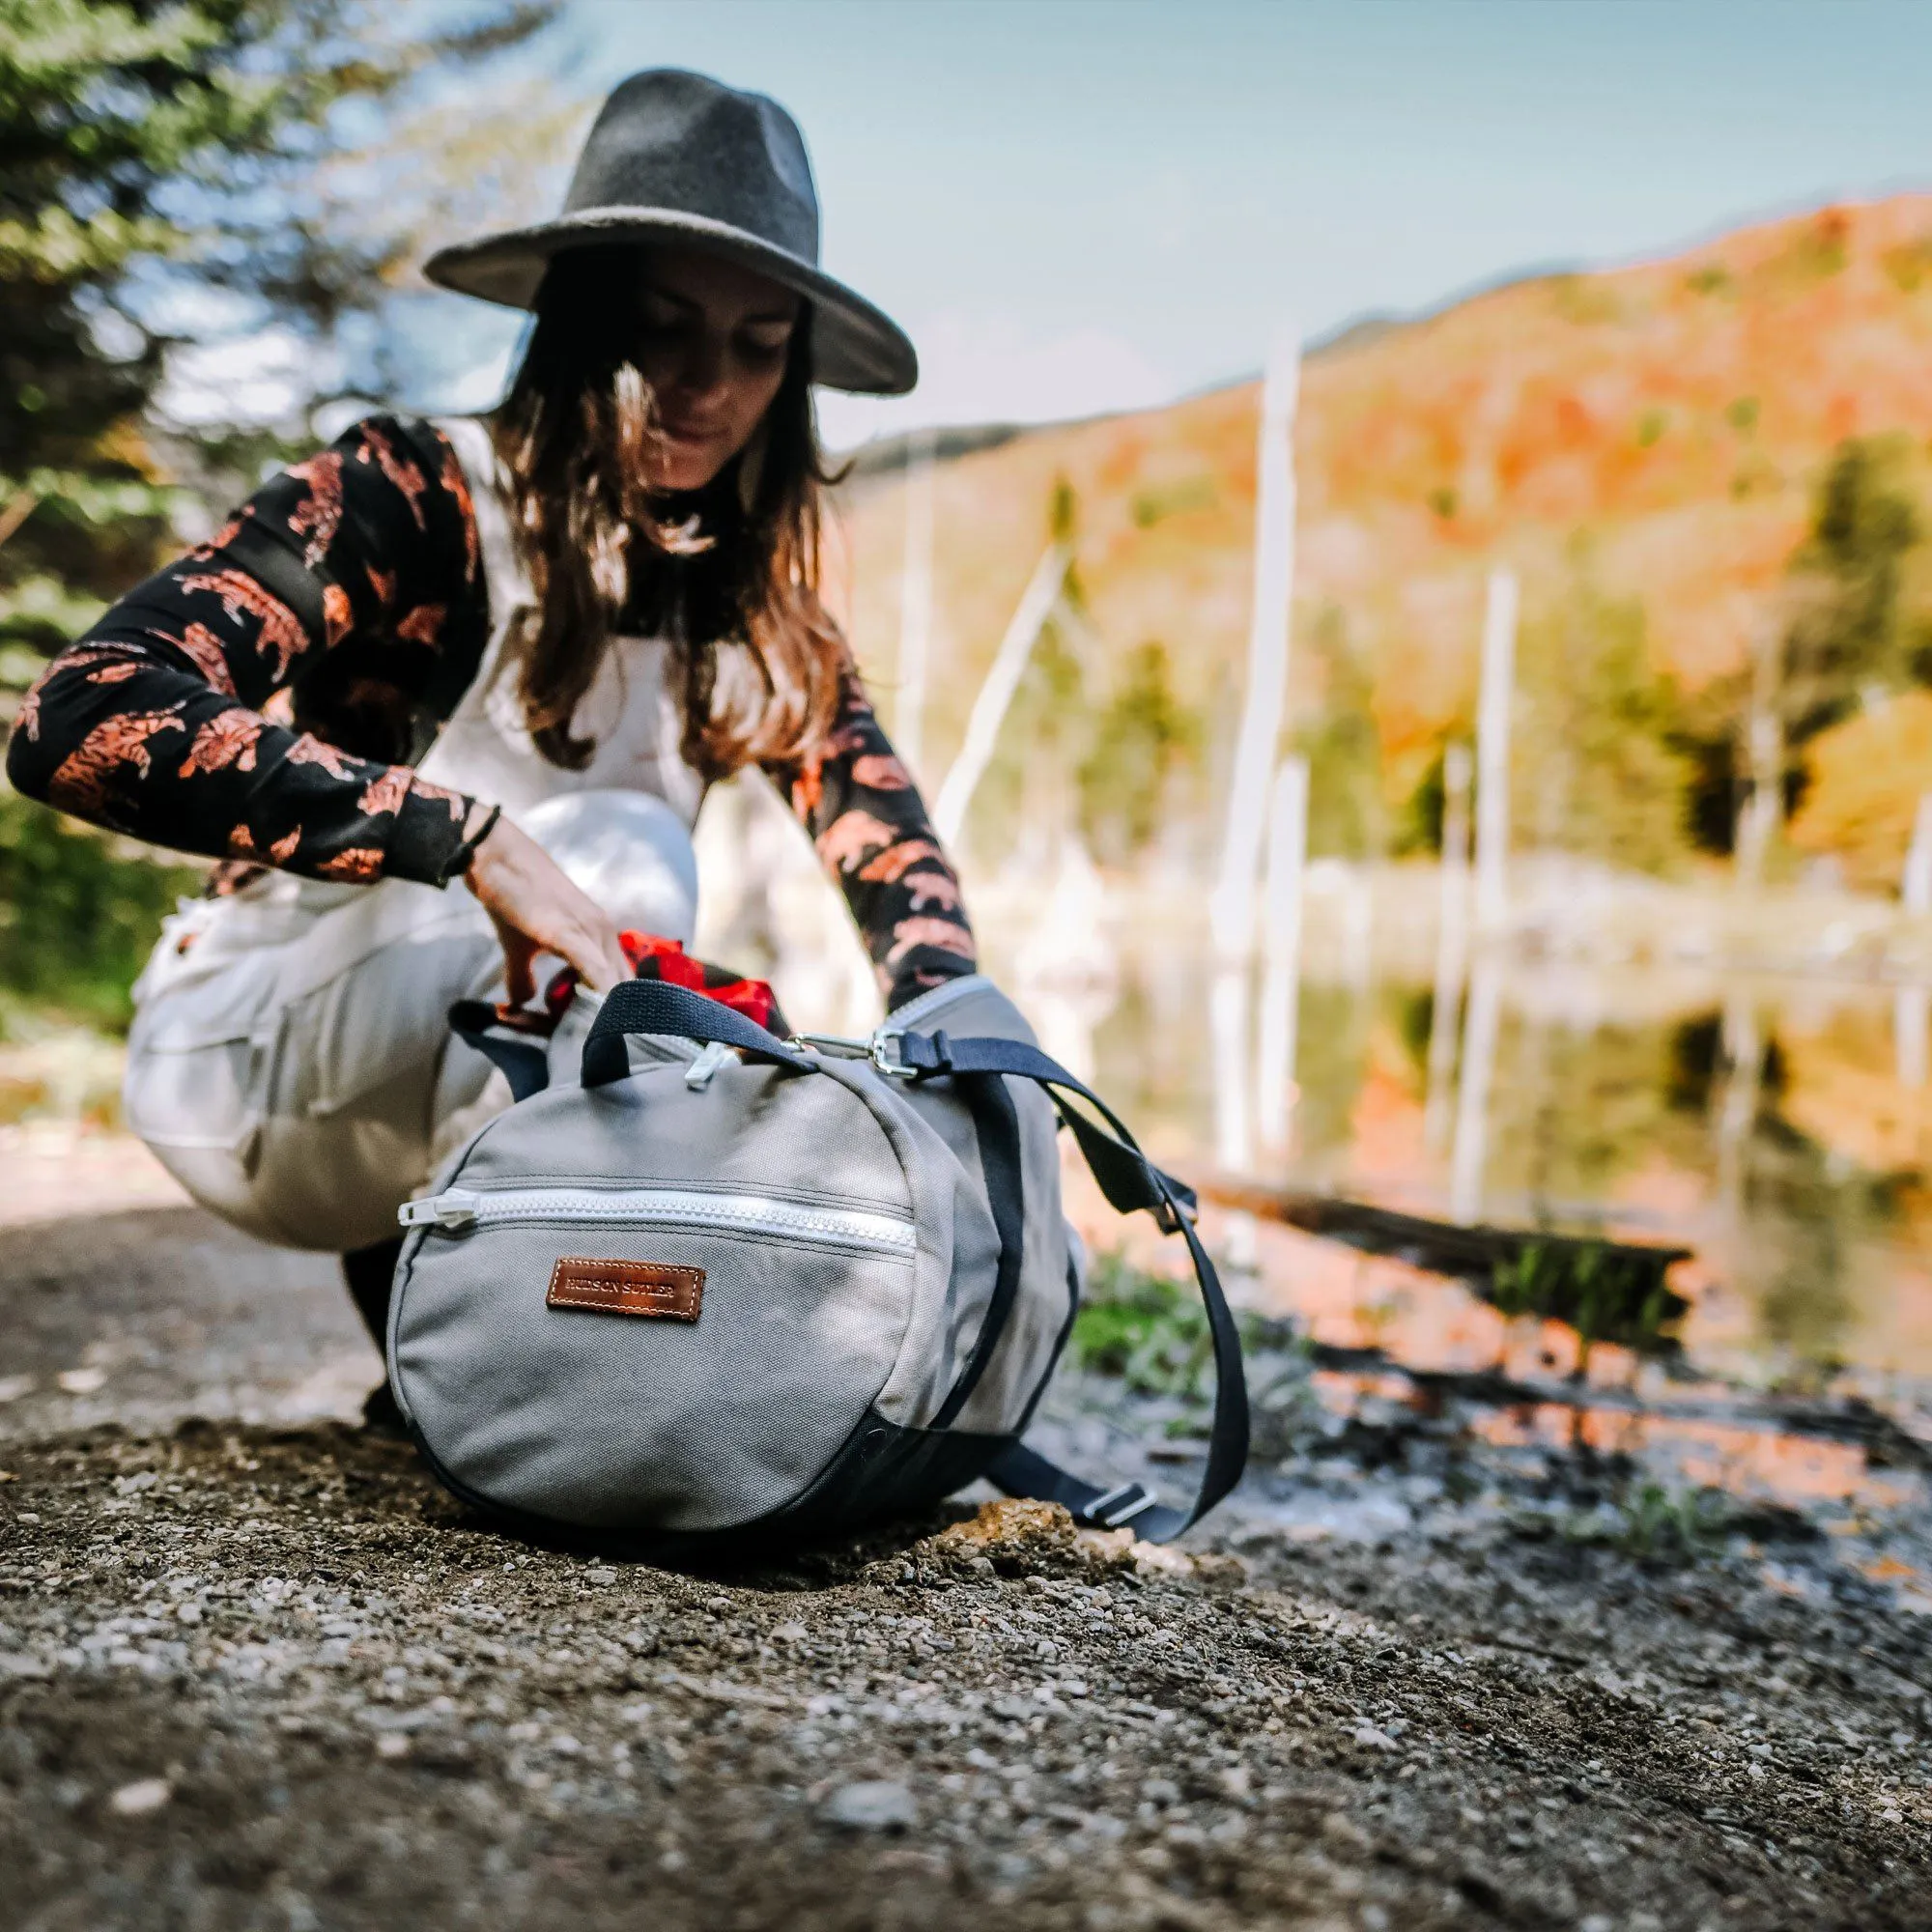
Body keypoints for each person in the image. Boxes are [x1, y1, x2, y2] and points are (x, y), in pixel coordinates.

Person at [6, 70, 976, 1406]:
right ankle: (516, 1359)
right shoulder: (412, 491)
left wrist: (961, 1027)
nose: (708, 385)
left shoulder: (746, 598)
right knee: (617, 852)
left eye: (759, 345)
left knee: (704, 1004)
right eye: (664, 326)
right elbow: (85, 712)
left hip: (431, 1070)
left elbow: (890, 848)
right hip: (251, 1063)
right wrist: (464, 837)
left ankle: (515, 1365)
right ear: (580, 320)